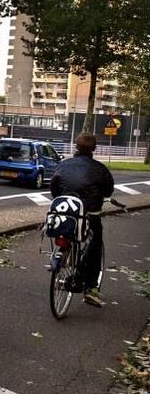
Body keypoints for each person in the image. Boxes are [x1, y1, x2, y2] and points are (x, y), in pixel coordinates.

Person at [49, 132, 114, 308]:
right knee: (95, 245)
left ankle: (60, 256)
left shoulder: (63, 165)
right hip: (88, 214)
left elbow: (54, 188)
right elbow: (108, 191)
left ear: (76, 147)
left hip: (64, 213)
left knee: (65, 234)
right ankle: (91, 289)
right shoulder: (100, 169)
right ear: (94, 148)